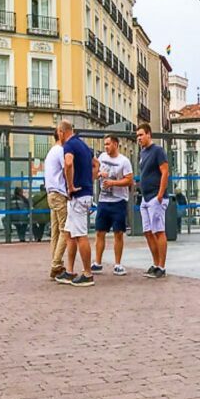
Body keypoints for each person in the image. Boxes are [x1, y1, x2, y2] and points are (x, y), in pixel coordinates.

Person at [55, 120, 99, 287]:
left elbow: (68, 163)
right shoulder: (84, 146)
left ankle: (87, 273)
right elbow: (96, 164)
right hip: (84, 194)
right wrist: (90, 179)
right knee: (69, 233)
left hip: (78, 196)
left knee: (80, 235)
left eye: (58, 132)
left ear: (61, 131)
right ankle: (70, 271)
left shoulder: (69, 146)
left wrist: (71, 185)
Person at [92, 134, 133, 276]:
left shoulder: (124, 161)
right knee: (99, 232)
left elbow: (129, 180)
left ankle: (118, 264)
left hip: (119, 201)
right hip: (103, 200)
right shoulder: (102, 157)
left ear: (116, 144)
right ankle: (97, 263)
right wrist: (99, 174)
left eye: (108, 144)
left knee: (118, 233)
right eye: (105, 145)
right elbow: (94, 172)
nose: (106, 147)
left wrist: (113, 182)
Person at [137, 123, 170, 279]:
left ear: (149, 134)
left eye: (141, 135)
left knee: (158, 231)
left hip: (156, 198)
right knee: (148, 232)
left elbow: (165, 172)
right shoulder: (142, 153)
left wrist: (160, 195)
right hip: (145, 198)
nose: (139, 138)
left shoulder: (158, 151)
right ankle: (156, 263)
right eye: (137, 136)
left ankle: (162, 267)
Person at [44, 129, 68, 279]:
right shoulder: (60, 151)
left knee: (56, 232)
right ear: (61, 134)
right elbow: (67, 170)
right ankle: (56, 264)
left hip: (51, 194)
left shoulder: (50, 152)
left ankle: (56, 265)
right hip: (59, 194)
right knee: (65, 230)